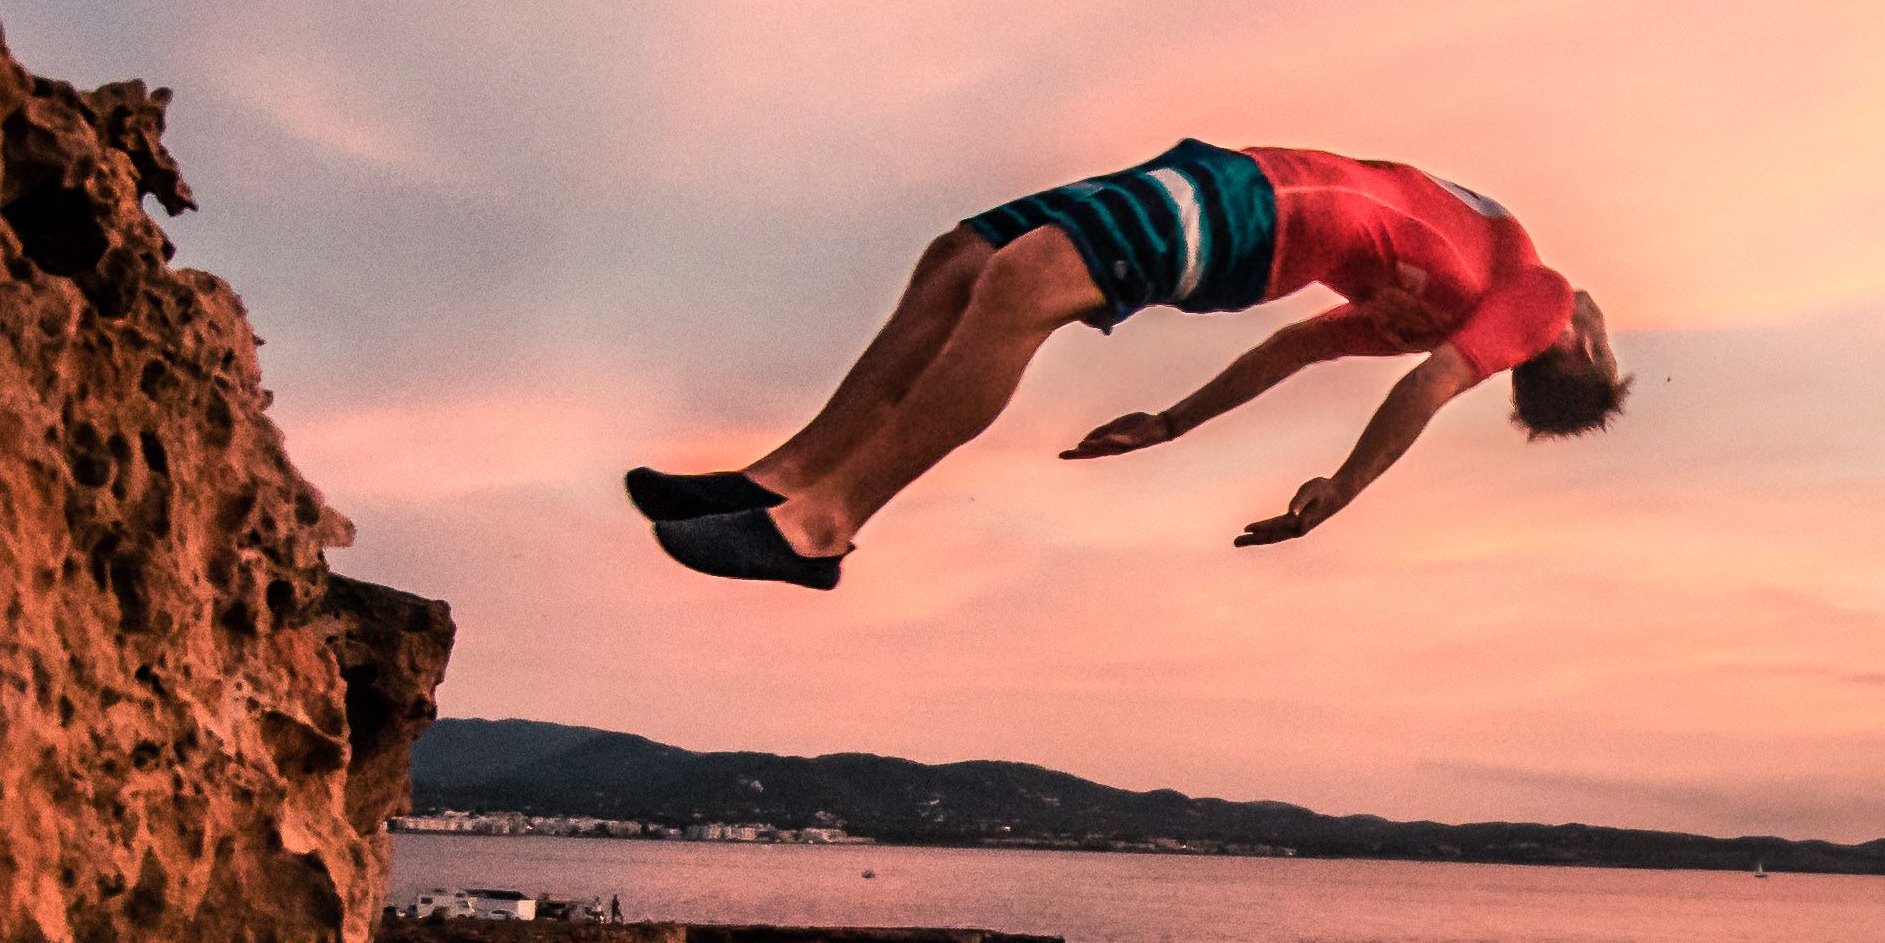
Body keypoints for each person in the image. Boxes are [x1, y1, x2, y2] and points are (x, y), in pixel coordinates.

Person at [627, 140, 1626, 589]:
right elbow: (1288, 352)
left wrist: (1347, 486)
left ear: (1572, 349)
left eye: (1607, 343)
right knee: (962, 260)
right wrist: (1172, 424)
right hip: (1235, 177)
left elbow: (1431, 387)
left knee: (1020, 284)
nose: (1602, 322)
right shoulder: (1428, 302)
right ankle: (782, 477)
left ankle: (819, 528)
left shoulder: (1535, 297)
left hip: (1258, 214)